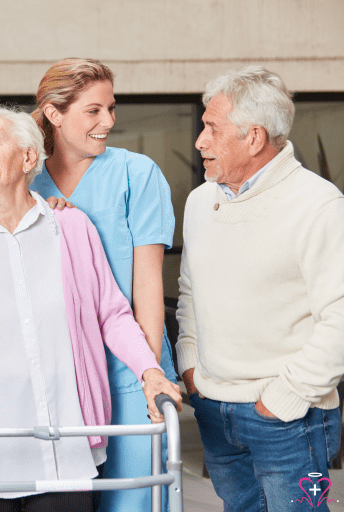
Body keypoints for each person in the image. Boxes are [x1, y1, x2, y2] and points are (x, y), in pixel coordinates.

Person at [0, 106, 182, 512]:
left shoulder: (72, 229)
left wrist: (151, 372)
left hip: (65, 447)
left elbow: (111, 313)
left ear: (27, 158)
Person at [177, 66, 344, 512]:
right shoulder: (201, 201)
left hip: (291, 419)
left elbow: (341, 317)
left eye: (212, 128)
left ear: (253, 138)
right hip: (214, 409)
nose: (200, 142)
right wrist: (191, 366)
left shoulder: (319, 204)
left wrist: (285, 397)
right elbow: (190, 293)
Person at [29, 58, 179, 511]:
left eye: (110, 109)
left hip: (129, 371)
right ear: (54, 114)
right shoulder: (26, 181)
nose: (108, 122)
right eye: (93, 111)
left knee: (134, 501)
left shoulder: (138, 174)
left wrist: (148, 373)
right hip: (62, 376)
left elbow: (148, 285)